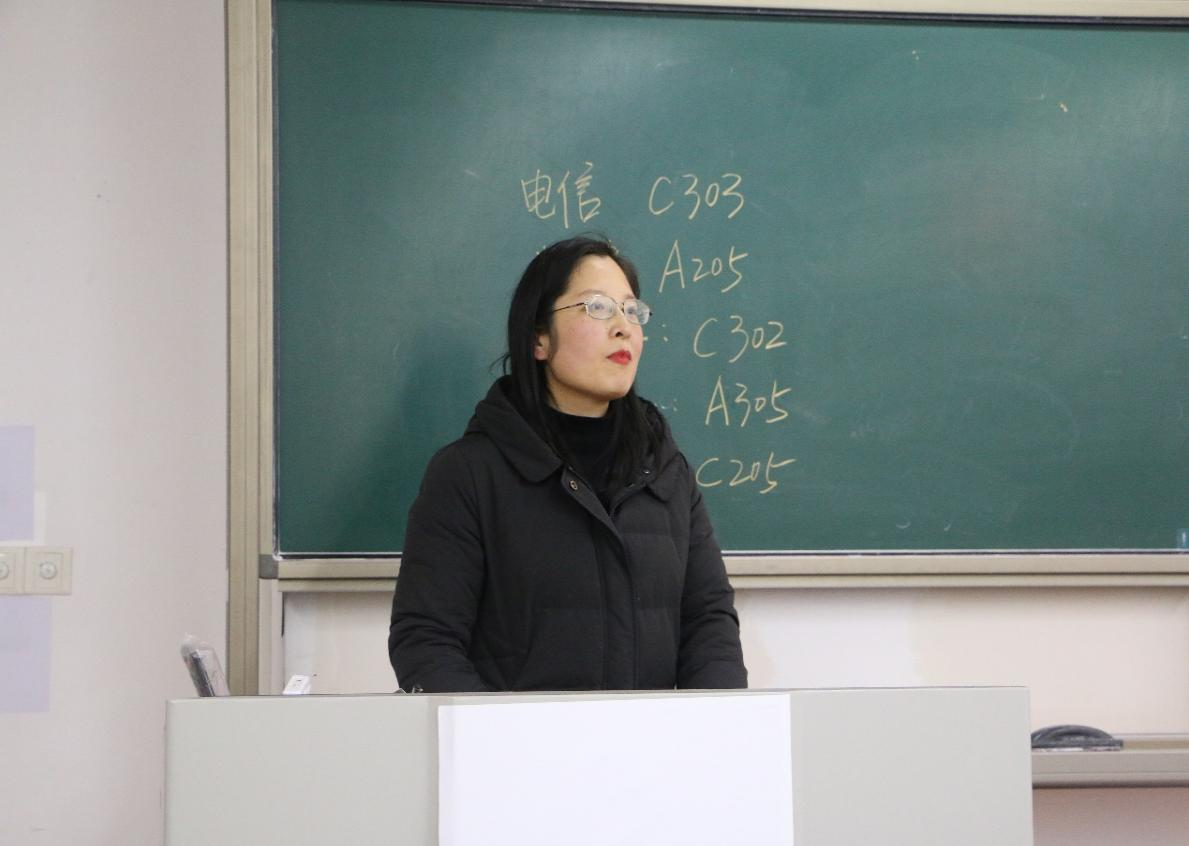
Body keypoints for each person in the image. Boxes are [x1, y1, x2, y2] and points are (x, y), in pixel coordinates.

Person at [388, 235, 746, 692]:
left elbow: (709, 622)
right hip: (516, 739)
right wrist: (498, 735)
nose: (623, 327)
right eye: (597, 307)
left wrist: (717, 724)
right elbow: (427, 642)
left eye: (631, 311)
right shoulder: (469, 474)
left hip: (653, 739)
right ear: (538, 338)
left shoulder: (665, 470)